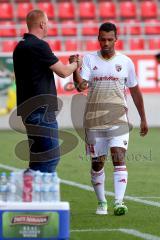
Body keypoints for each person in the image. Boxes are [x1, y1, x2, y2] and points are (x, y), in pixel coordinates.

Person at [69, 22, 148, 216]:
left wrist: (143, 118)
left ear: (116, 39)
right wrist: (74, 69)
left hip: (118, 118)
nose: (106, 43)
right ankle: (102, 201)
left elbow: (136, 91)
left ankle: (119, 202)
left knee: (118, 157)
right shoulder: (89, 60)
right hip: (94, 121)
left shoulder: (126, 62)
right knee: (97, 163)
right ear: (98, 38)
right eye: (102, 39)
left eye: (110, 39)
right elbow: (81, 87)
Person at [13, 9, 80, 173]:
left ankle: (26, 193)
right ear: (42, 24)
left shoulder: (20, 46)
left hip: (27, 109)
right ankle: (34, 195)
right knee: (50, 158)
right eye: (47, 23)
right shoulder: (39, 45)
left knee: (37, 161)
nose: (48, 27)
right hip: (41, 109)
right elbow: (63, 72)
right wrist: (76, 63)